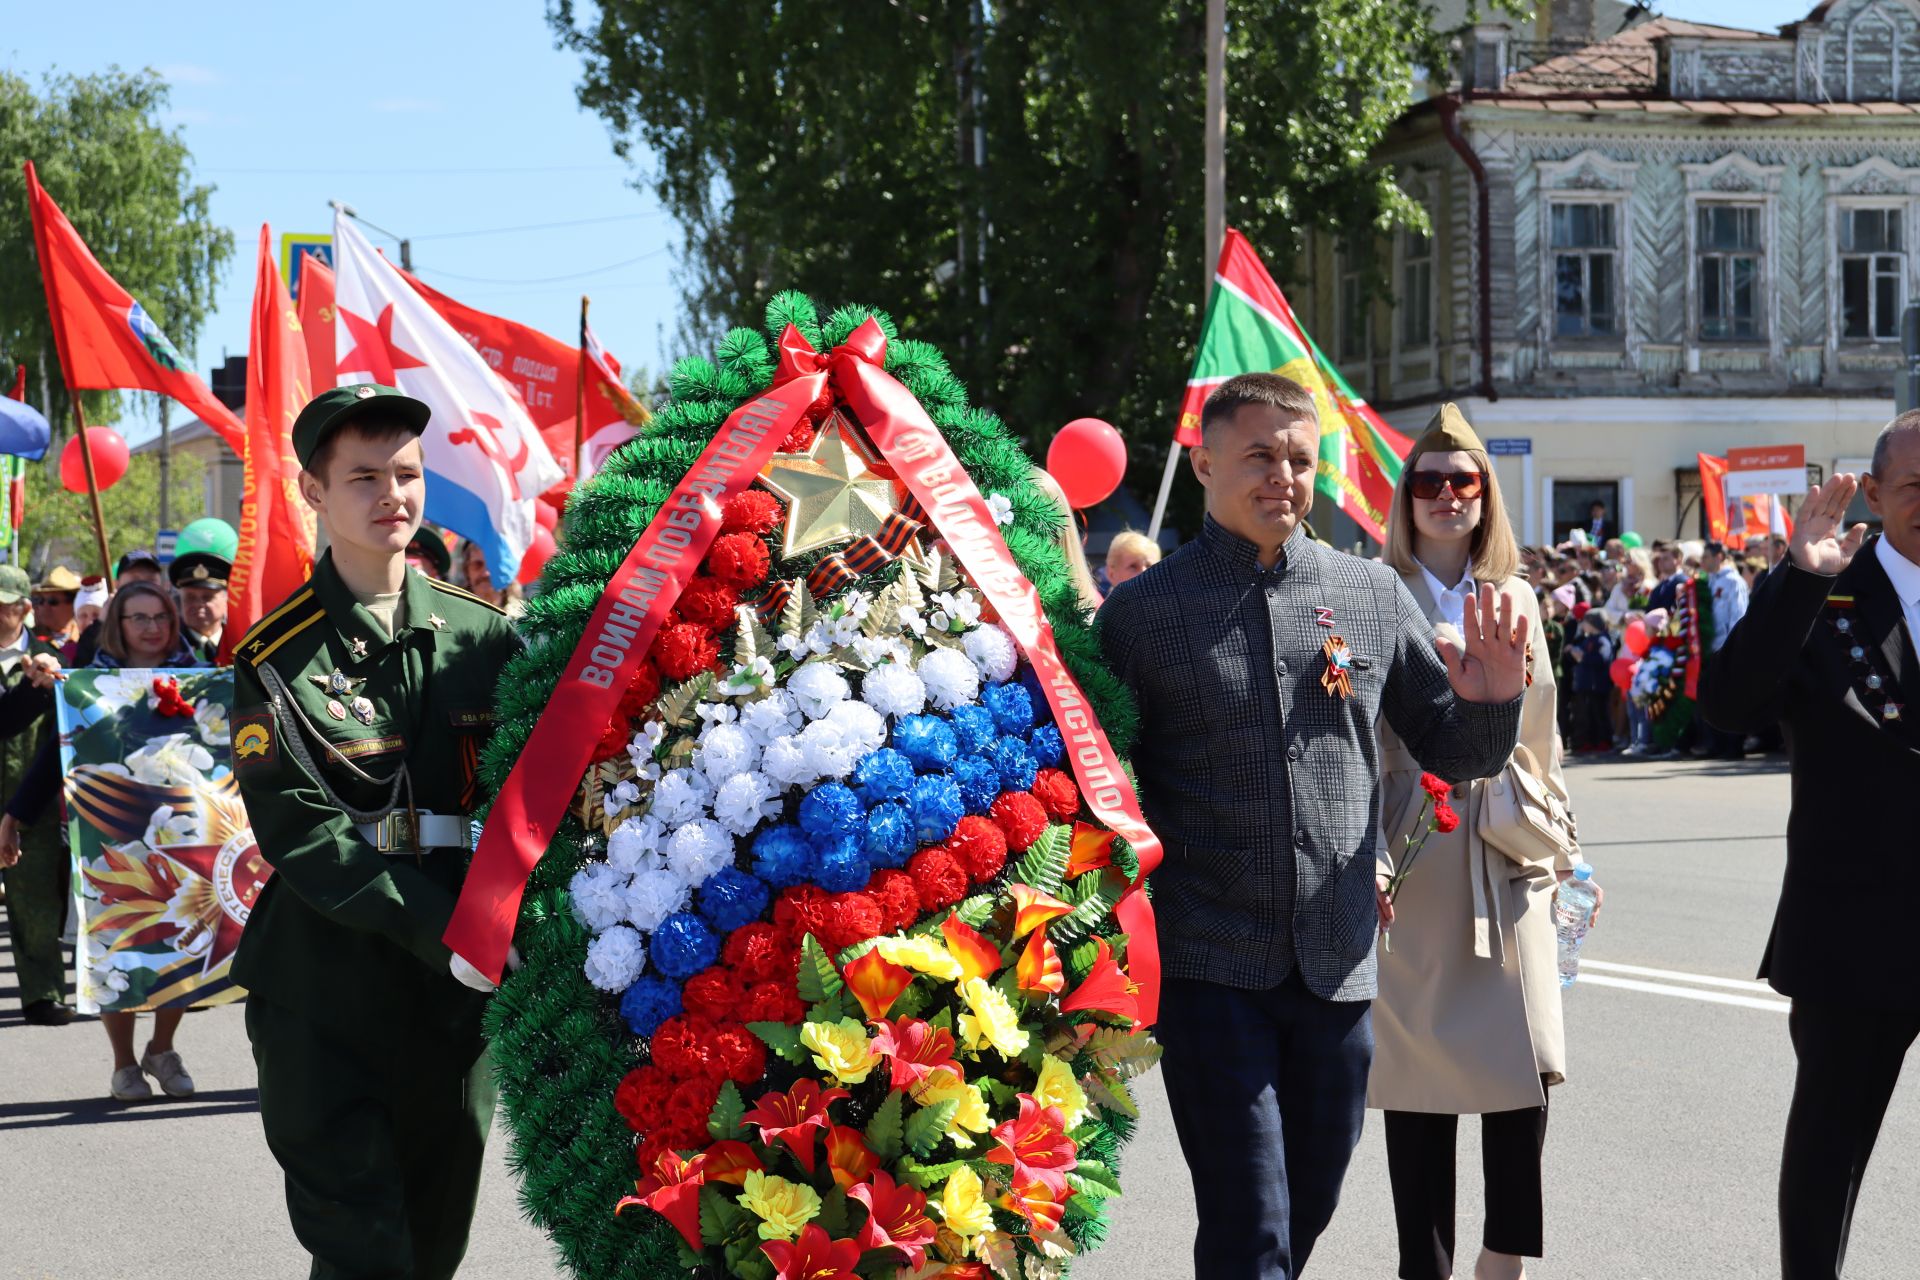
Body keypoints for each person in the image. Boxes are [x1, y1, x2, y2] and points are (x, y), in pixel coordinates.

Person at [1099, 375, 1528, 1280]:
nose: (1282, 477)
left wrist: (1494, 701)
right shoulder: (1141, 618)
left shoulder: (1368, 592)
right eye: (1259, 455)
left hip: (1336, 962)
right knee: (1250, 1218)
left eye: (1299, 459)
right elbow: (1100, 786)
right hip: (1209, 962)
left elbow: (1449, 745)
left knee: (1311, 1201)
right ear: (1206, 462)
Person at [231, 384, 520, 1280]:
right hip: (326, 987)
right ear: (313, 494)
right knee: (364, 1250)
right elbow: (303, 830)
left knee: (435, 1246)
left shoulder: (488, 639)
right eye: (363, 476)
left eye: (406, 473)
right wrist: (442, 928)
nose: (392, 494)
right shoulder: (277, 656)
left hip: (455, 1000)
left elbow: (527, 801)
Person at [1698, 413, 1920, 1280]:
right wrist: (1795, 580)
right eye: (1915, 489)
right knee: (1830, 1153)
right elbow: (1727, 705)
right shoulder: (1821, 592)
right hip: (1854, 931)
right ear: (1872, 492)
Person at [1369, 404, 1584, 1280]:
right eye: (1430, 482)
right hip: (1414, 852)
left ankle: (1504, 1259)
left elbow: (1544, 734)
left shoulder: (1519, 596)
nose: (1448, 496)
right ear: (1406, 498)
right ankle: (1423, 1265)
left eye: (1465, 481)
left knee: (1524, 1066)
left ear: (1486, 496)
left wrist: (1563, 838)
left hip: (1502, 850)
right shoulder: (1376, 591)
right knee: (1416, 1087)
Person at [0, 579, 200, 1093]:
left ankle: (163, 1050)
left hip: (184, 830)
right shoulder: (89, 682)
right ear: (119, 623)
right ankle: (124, 1062)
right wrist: (15, 815)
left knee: (181, 940)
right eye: (139, 618)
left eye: (160, 617)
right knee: (119, 946)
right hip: (111, 831)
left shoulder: (199, 673)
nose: (152, 627)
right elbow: (55, 756)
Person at [0, 564, 72, 1025]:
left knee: (37, 901)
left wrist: (52, 685)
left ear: (24, 609)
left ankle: (42, 993)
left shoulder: (53, 659)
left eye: (2, 605)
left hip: (32, 803)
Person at [1698, 540, 1749, 760]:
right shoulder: (1708, 581)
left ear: (1719, 556)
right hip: (1709, 648)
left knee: (1730, 698)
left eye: (1707, 556)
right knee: (1713, 698)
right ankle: (1715, 744)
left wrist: (1732, 648)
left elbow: (1738, 615)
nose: (1703, 561)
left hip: (1725, 648)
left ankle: (1733, 746)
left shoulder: (1733, 581)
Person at [169, 550, 231, 664]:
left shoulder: (238, 644)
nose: (198, 604)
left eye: (207, 597)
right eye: (190, 597)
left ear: (226, 599)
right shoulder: (168, 646)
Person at [30, 565, 79, 647]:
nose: (44, 607)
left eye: (52, 601)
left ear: (73, 604)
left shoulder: (87, 639)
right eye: (41, 600)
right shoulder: (28, 640)